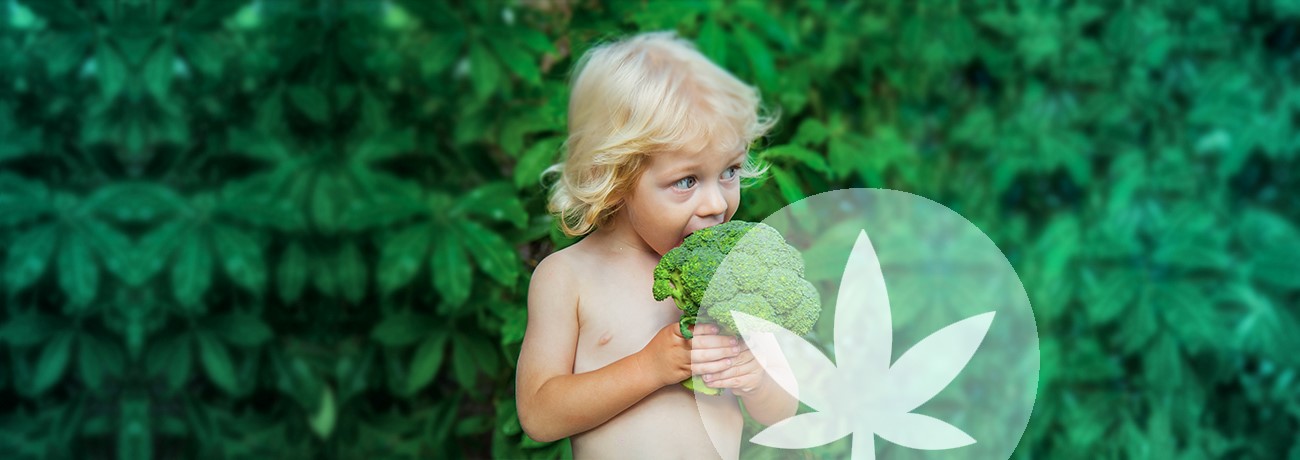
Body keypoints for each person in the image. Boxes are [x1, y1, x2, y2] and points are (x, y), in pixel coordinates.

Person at [514, 30, 796, 459]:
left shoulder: (736, 274)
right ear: (616, 175)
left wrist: (755, 378)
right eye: (687, 181)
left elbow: (783, 412)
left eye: (730, 171)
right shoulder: (569, 278)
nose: (717, 203)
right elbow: (538, 415)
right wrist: (649, 368)